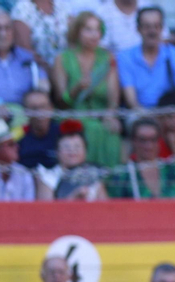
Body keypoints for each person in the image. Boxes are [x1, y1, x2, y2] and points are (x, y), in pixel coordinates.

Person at [50, 10, 121, 167]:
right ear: (77, 31)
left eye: (97, 30)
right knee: (93, 130)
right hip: (72, 115)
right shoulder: (62, 59)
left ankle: (108, 184)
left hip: (101, 117)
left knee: (111, 130)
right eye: (88, 29)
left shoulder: (107, 58)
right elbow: (61, 102)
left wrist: (111, 115)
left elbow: (113, 97)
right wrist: (77, 88)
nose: (94, 35)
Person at [116, 4, 175, 109]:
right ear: (138, 29)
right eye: (147, 27)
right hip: (139, 115)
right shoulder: (125, 58)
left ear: (162, 28)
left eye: (156, 26)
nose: (152, 31)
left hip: (170, 114)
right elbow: (131, 102)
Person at [104, 115, 175, 197]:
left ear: (158, 142)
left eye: (153, 140)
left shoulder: (173, 171)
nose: (148, 146)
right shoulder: (123, 175)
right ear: (133, 141)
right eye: (143, 140)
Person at [34, 120, 105, 199]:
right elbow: (45, 210)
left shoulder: (94, 174)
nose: (72, 150)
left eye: (77, 146)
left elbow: (106, 208)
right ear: (57, 151)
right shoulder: (48, 177)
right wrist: (73, 198)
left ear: (85, 150)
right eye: (67, 147)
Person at [10, 0, 76, 73]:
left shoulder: (63, 6)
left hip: (67, 67)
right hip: (39, 70)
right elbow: (24, 49)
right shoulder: (22, 8)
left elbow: (75, 38)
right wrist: (50, 71)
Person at [13, 86, 57, 167]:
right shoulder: (16, 136)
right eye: (34, 108)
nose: (39, 112)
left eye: (43, 106)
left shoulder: (63, 133)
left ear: (51, 108)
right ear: (25, 111)